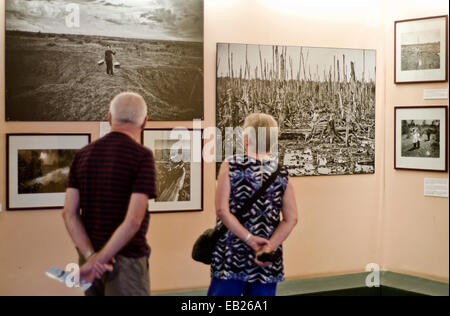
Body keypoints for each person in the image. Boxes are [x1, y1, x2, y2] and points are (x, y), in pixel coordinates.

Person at [63, 92, 155, 296]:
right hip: (126, 262)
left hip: (90, 261)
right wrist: (101, 259)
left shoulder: (83, 154)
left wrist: (91, 257)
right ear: (145, 122)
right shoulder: (142, 156)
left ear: (109, 118)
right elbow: (133, 221)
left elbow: (69, 213)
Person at [208, 113, 298, 296]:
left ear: (246, 139)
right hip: (265, 259)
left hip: (231, 254)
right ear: (272, 141)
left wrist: (249, 239)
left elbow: (222, 210)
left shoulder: (231, 165)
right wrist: (268, 247)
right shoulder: (281, 171)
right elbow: (291, 218)